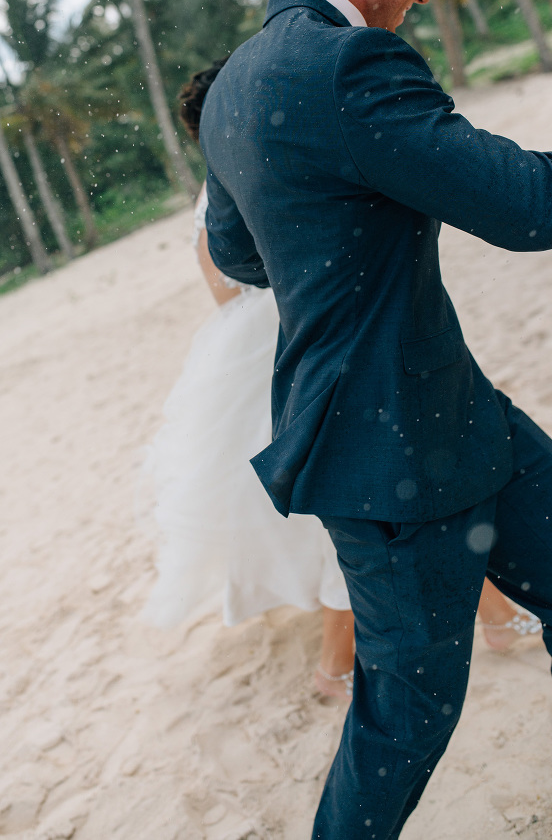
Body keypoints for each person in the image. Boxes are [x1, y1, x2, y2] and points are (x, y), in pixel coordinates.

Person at [199, 0, 552, 840]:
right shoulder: (352, 64)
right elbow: (524, 207)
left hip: (450, 416)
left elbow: (242, 251)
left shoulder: (232, 87)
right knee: (403, 719)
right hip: (389, 466)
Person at [143, 60, 355, 701]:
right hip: (292, 345)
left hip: (246, 358)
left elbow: (222, 297)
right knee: (340, 502)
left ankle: (342, 652)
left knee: (321, 502)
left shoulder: (210, 199)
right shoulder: (262, 169)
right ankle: (336, 661)